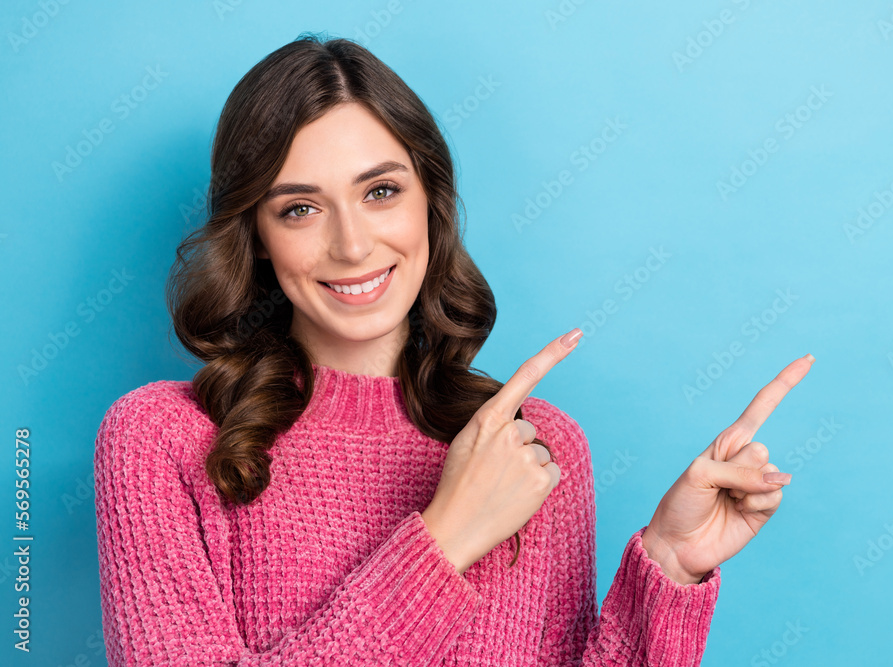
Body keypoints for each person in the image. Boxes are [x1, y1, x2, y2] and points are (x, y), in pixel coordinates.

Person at [93, 33, 813, 666]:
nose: (351, 244)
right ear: (255, 235)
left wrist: (669, 565)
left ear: (429, 205)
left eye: (380, 191)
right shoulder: (163, 440)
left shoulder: (535, 450)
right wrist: (443, 539)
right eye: (300, 208)